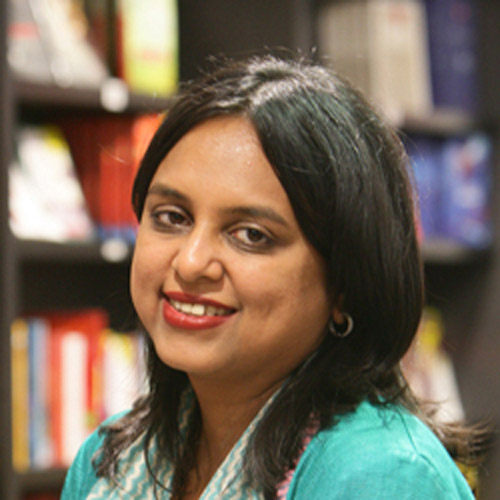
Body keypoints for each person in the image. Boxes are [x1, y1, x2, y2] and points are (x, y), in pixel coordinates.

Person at [61, 54, 482, 499]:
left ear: (346, 284)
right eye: (172, 217)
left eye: (251, 235)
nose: (190, 262)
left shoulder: (381, 474)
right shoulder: (108, 459)